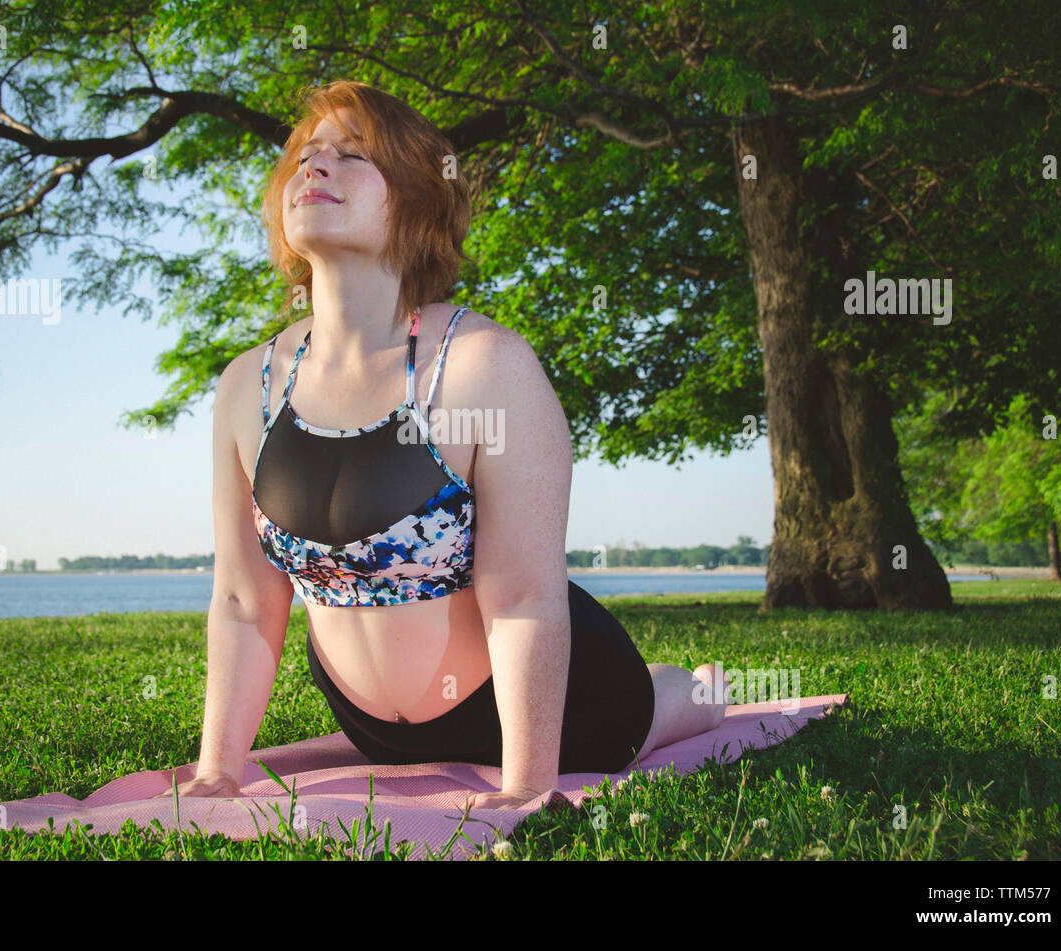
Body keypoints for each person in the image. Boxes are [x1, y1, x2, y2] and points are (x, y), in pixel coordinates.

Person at [155, 81, 728, 811]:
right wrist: (217, 771)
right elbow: (242, 598)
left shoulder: (485, 364)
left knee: (665, 707)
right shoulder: (248, 385)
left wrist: (525, 785)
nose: (316, 166)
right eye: (306, 154)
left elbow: (523, 594)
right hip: (374, 730)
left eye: (353, 154)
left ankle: (689, 690)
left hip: (569, 708)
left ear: (418, 200)